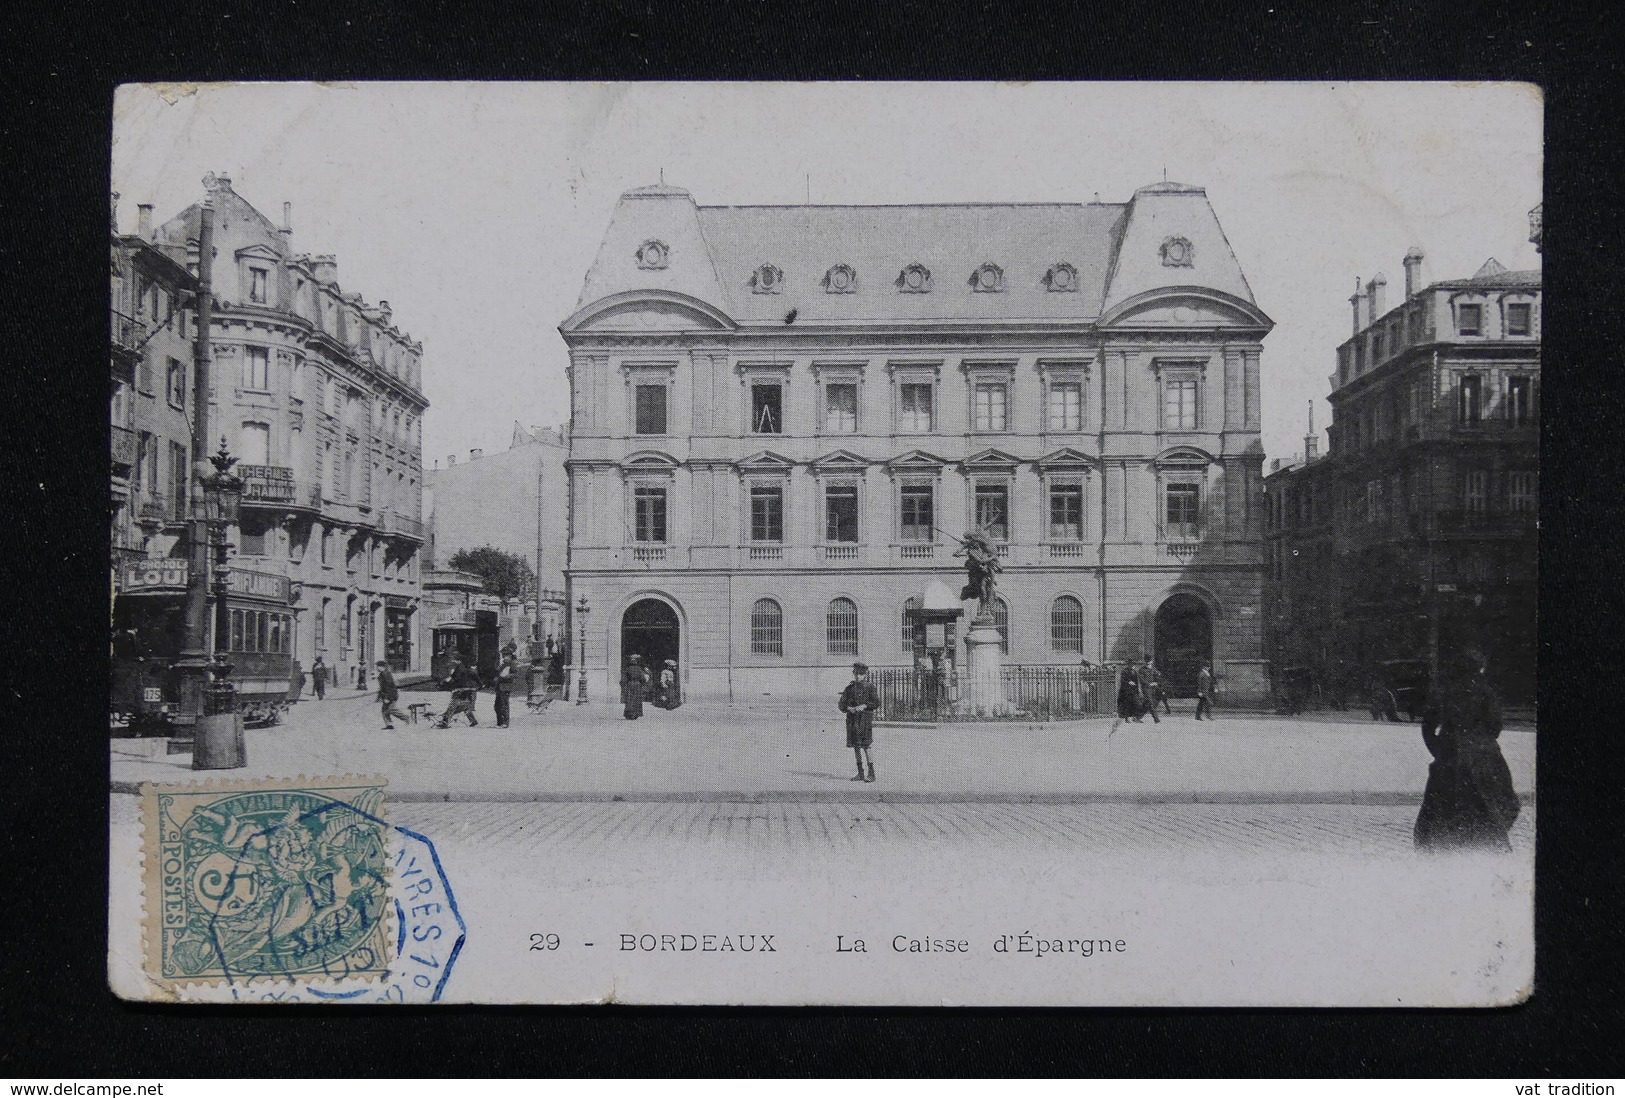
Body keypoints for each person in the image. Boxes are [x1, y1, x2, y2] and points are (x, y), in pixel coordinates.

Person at [1414, 648, 1519, 851]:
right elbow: (1495, 724)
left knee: (1441, 808)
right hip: (1483, 757)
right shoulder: (1485, 691)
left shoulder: (1444, 690)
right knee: (1494, 803)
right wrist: (1482, 742)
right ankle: (1482, 845)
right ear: (1478, 668)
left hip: (1449, 756)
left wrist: (1438, 749)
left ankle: (1445, 847)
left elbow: (1427, 725)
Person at [838, 661, 880, 782]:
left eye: (860, 674)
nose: (858, 676)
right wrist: (848, 708)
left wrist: (865, 706)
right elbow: (841, 704)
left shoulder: (870, 687)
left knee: (866, 745)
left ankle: (871, 773)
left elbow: (876, 703)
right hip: (852, 721)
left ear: (865, 675)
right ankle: (860, 773)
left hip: (864, 720)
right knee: (856, 746)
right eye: (856, 673)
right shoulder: (849, 688)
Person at [436, 658, 480, 727]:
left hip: (460, 691)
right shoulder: (472, 671)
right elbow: (480, 683)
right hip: (470, 692)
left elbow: (451, 679)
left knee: (452, 706)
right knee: (466, 706)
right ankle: (473, 720)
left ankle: (445, 722)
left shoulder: (459, 670)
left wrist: (442, 683)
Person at [375, 661, 412, 729]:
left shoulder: (386, 675)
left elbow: (389, 687)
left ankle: (405, 718)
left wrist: (387, 698)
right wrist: (379, 697)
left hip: (391, 695)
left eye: (377, 666)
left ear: (381, 667)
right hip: (388, 695)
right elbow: (382, 687)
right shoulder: (383, 674)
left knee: (391, 710)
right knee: (385, 710)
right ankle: (389, 725)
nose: (376, 668)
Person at [494, 644, 517, 727]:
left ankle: (505, 722)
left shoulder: (512, 663)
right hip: (499, 686)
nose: (504, 656)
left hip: (506, 686)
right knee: (497, 705)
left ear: (509, 655)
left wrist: (506, 677)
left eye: (505, 654)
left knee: (504, 704)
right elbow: (497, 671)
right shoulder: (503, 663)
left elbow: (515, 674)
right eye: (503, 654)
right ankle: (499, 722)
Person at [621, 655, 648, 720]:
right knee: (637, 699)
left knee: (630, 699)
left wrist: (623, 685)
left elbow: (624, 679)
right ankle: (636, 713)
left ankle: (629, 714)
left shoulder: (628, 669)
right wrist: (643, 684)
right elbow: (642, 678)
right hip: (637, 685)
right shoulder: (639, 669)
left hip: (630, 684)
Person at [1139, 655, 1164, 723]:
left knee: (1146, 704)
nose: (1148, 664)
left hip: (1153, 689)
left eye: (1149, 662)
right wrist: (1149, 684)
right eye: (1147, 662)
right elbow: (1142, 680)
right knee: (1150, 703)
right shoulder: (1141, 670)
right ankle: (1156, 719)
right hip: (1146, 689)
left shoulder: (1154, 670)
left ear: (1152, 662)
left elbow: (1159, 677)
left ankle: (1138, 717)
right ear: (1145, 662)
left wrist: (1156, 682)